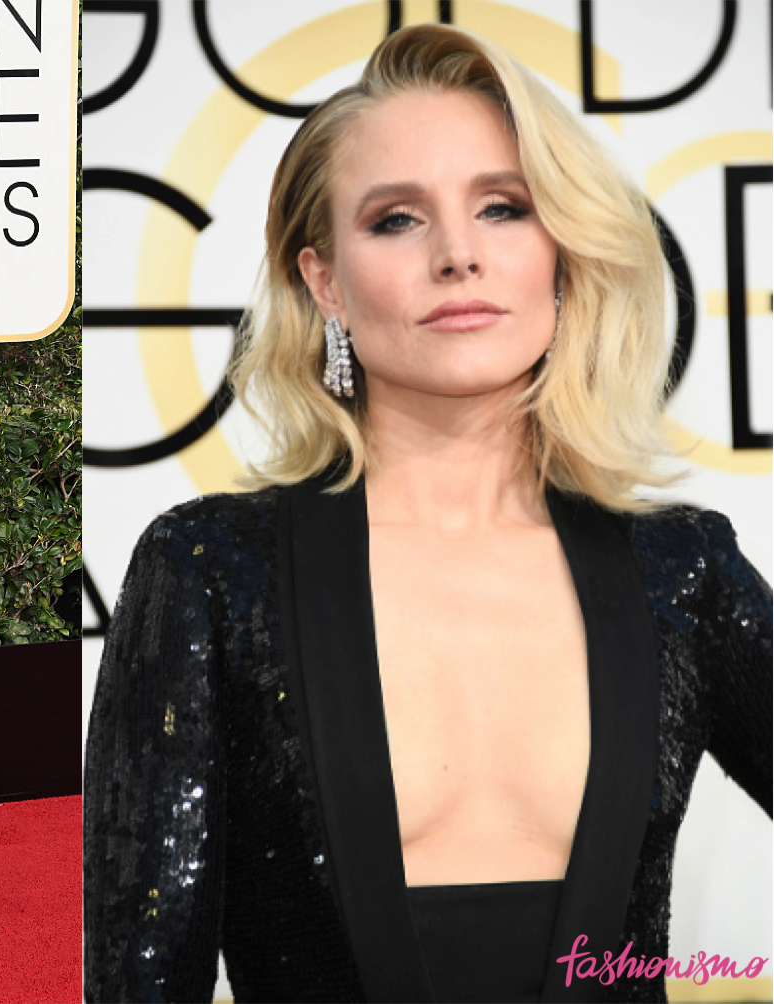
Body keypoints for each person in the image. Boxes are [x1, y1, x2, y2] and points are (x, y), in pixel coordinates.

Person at [83, 23, 772, 1004]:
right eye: (397, 219)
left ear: (561, 250)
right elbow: (144, 973)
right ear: (324, 281)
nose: (457, 254)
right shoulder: (208, 570)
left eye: (502, 207)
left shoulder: (683, 569)